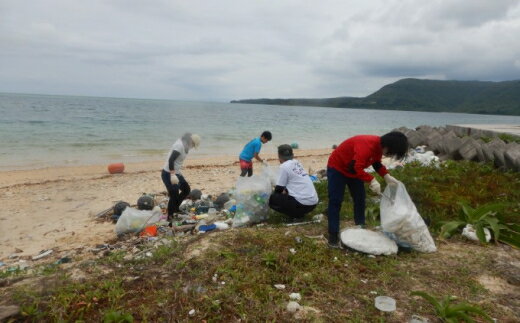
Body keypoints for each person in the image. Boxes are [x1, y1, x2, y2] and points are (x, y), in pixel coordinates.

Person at [326, 131, 408, 247]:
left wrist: (386, 176)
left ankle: (360, 227)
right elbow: (357, 167)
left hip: (353, 170)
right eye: (391, 153)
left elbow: (376, 163)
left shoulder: (379, 147)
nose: (389, 155)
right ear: (388, 146)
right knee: (335, 200)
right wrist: (372, 180)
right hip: (338, 168)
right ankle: (333, 235)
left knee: (360, 199)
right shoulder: (366, 146)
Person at [269, 144, 318, 222]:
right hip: (313, 203)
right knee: (285, 193)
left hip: (303, 204)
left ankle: (296, 215)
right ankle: (299, 213)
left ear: (279, 156)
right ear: (292, 155)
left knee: (273, 199)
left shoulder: (284, 166)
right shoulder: (297, 163)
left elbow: (278, 189)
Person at [161, 132, 201, 222]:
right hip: (168, 173)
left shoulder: (185, 145)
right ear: (190, 141)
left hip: (177, 173)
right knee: (174, 194)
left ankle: (175, 209)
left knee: (186, 189)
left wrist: (176, 173)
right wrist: (172, 175)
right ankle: (170, 218)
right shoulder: (179, 146)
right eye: (193, 145)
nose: (192, 147)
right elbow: (171, 160)